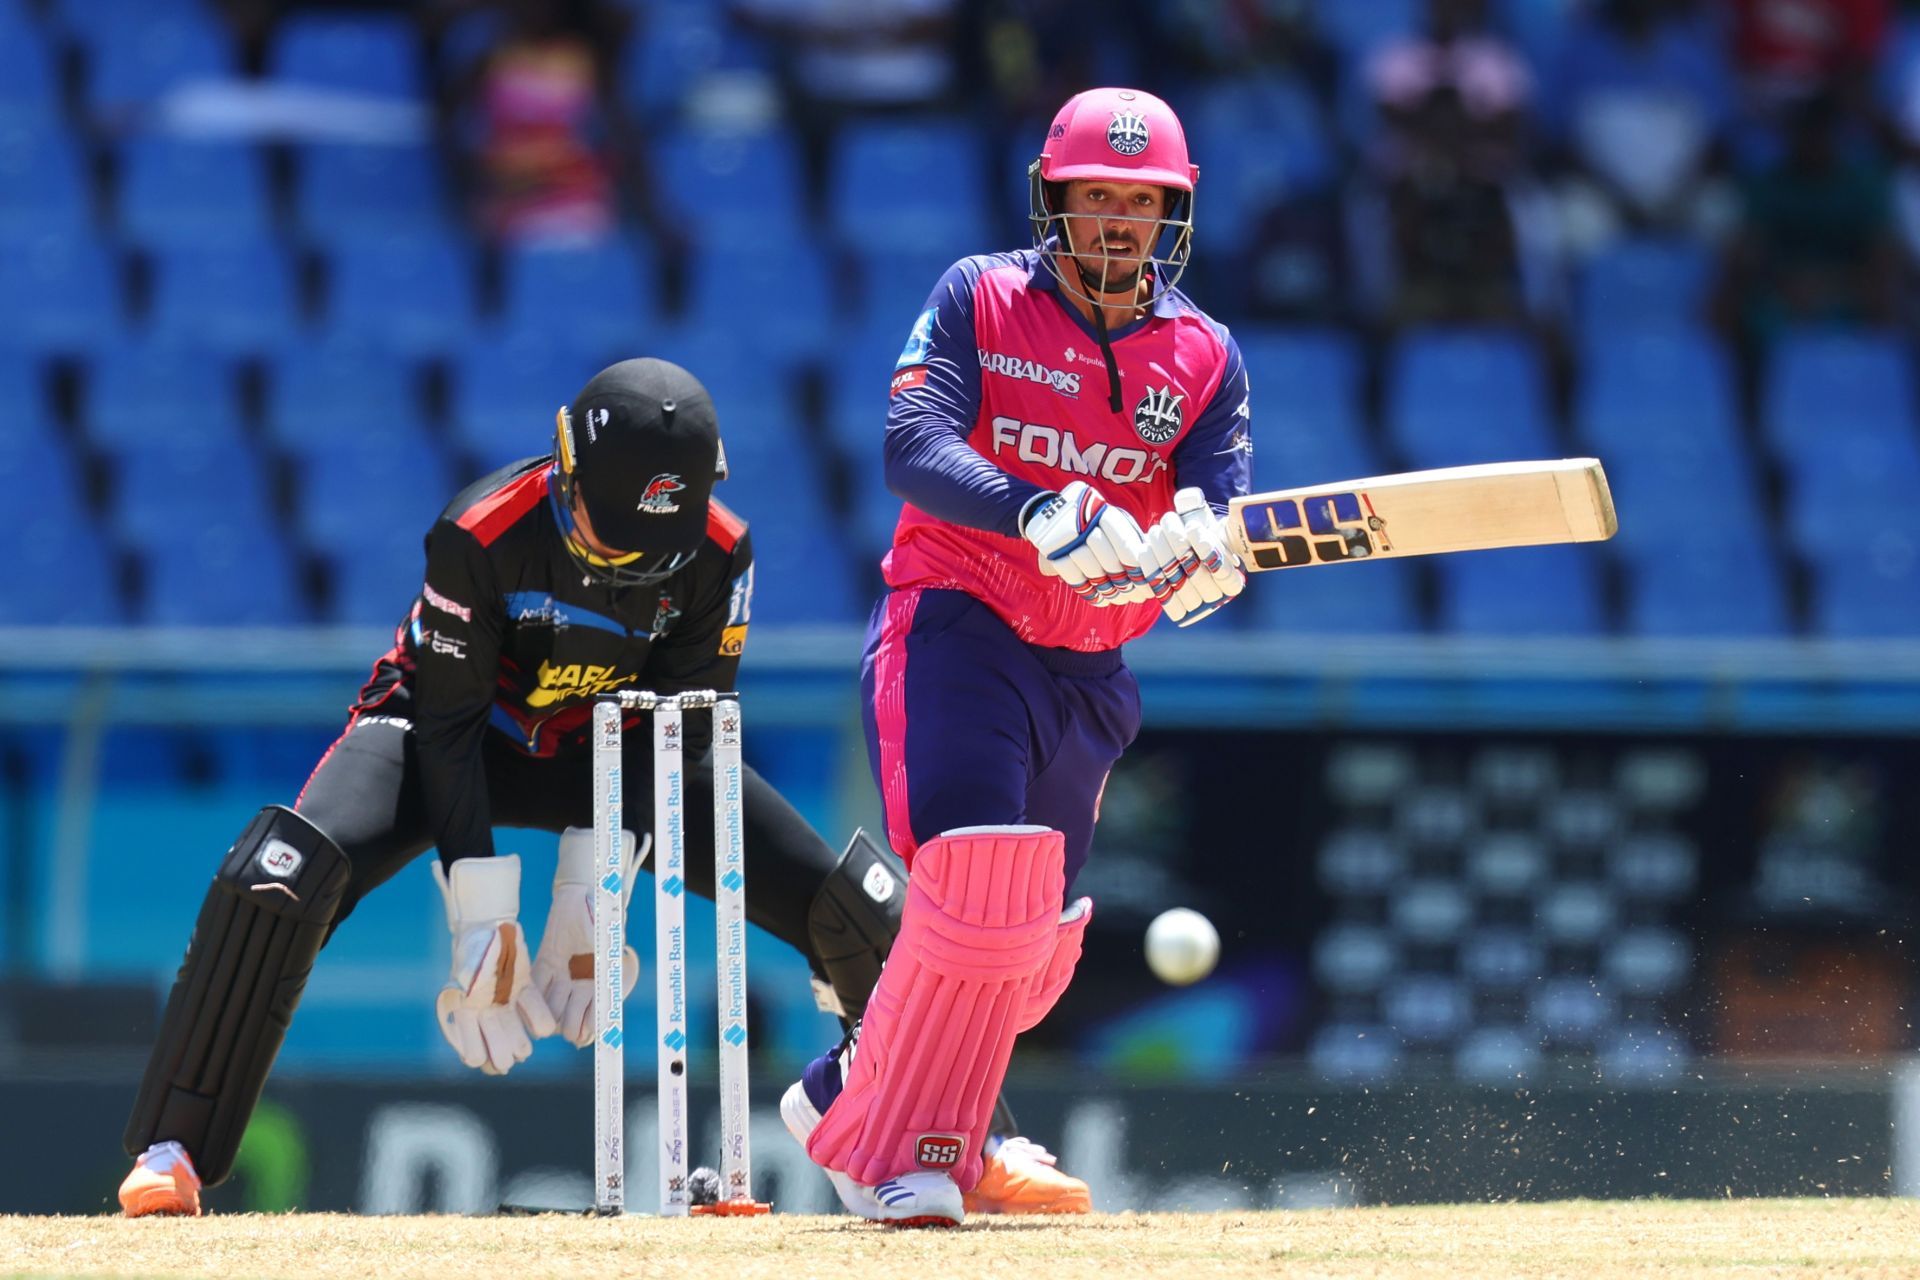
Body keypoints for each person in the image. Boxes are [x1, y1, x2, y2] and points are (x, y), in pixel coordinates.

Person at [112, 357, 1042, 1217]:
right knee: (277, 874)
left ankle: (965, 1142)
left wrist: (588, 902)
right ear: (566, 470)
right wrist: (480, 915)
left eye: (658, 542)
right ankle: (172, 1152)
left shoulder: (719, 553)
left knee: (868, 906)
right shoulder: (479, 533)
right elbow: (444, 729)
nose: (635, 560)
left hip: (627, 750)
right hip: (454, 735)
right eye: (617, 531)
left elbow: (681, 736)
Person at [779, 86, 1253, 1226]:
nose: (1119, 223)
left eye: (1143, 203)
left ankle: (876, 1100)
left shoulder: (1204, 354)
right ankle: (914, 1148)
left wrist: (1209, 547)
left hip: (1090, 665)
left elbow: (1221, 505)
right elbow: (909, 444)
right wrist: (1036, 507)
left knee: (1025, 947)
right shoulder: (980, 297)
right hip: (961, 619)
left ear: (1173, 215)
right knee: (976, 883)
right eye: (1098, 197)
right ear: (1056, 200)